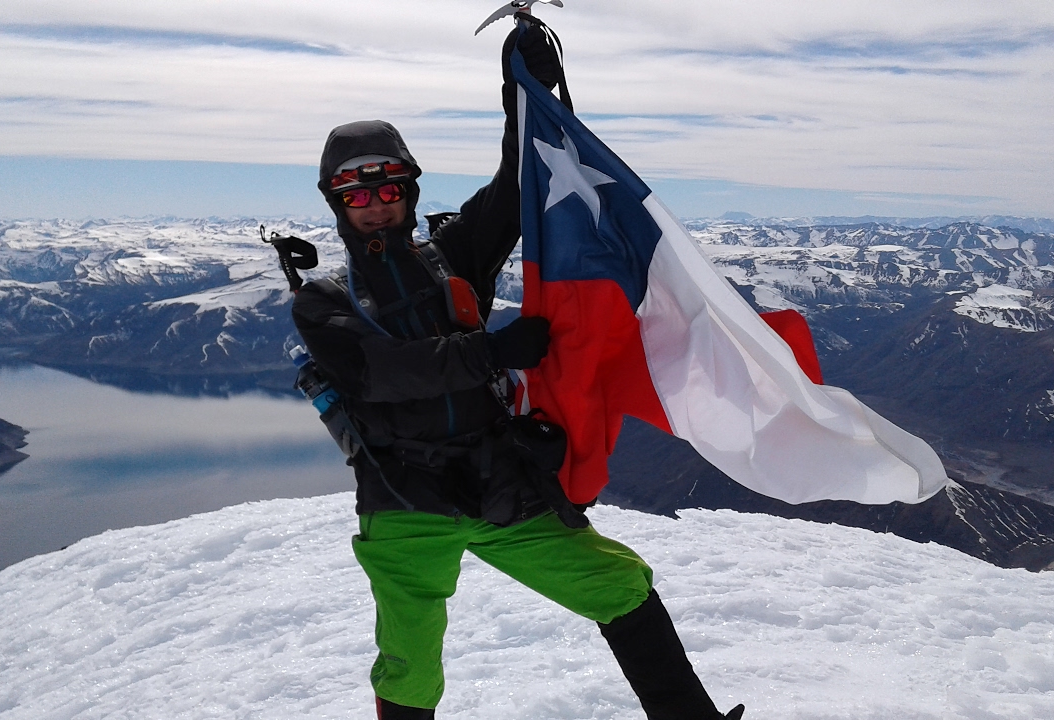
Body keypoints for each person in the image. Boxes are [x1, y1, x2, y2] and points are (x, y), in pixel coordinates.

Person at [290, 20, 745, 720]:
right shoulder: (322, 302)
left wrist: (520, 94)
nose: (376, 205)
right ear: (338, 204)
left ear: (408, 192)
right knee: (411, 660)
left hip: (498, 482)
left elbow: (513, 191)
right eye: (357, 195)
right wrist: (491, 352)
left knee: (621, 586)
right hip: (404, 498)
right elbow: (380, 375)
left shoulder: (453, 255)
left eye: (387, 189)